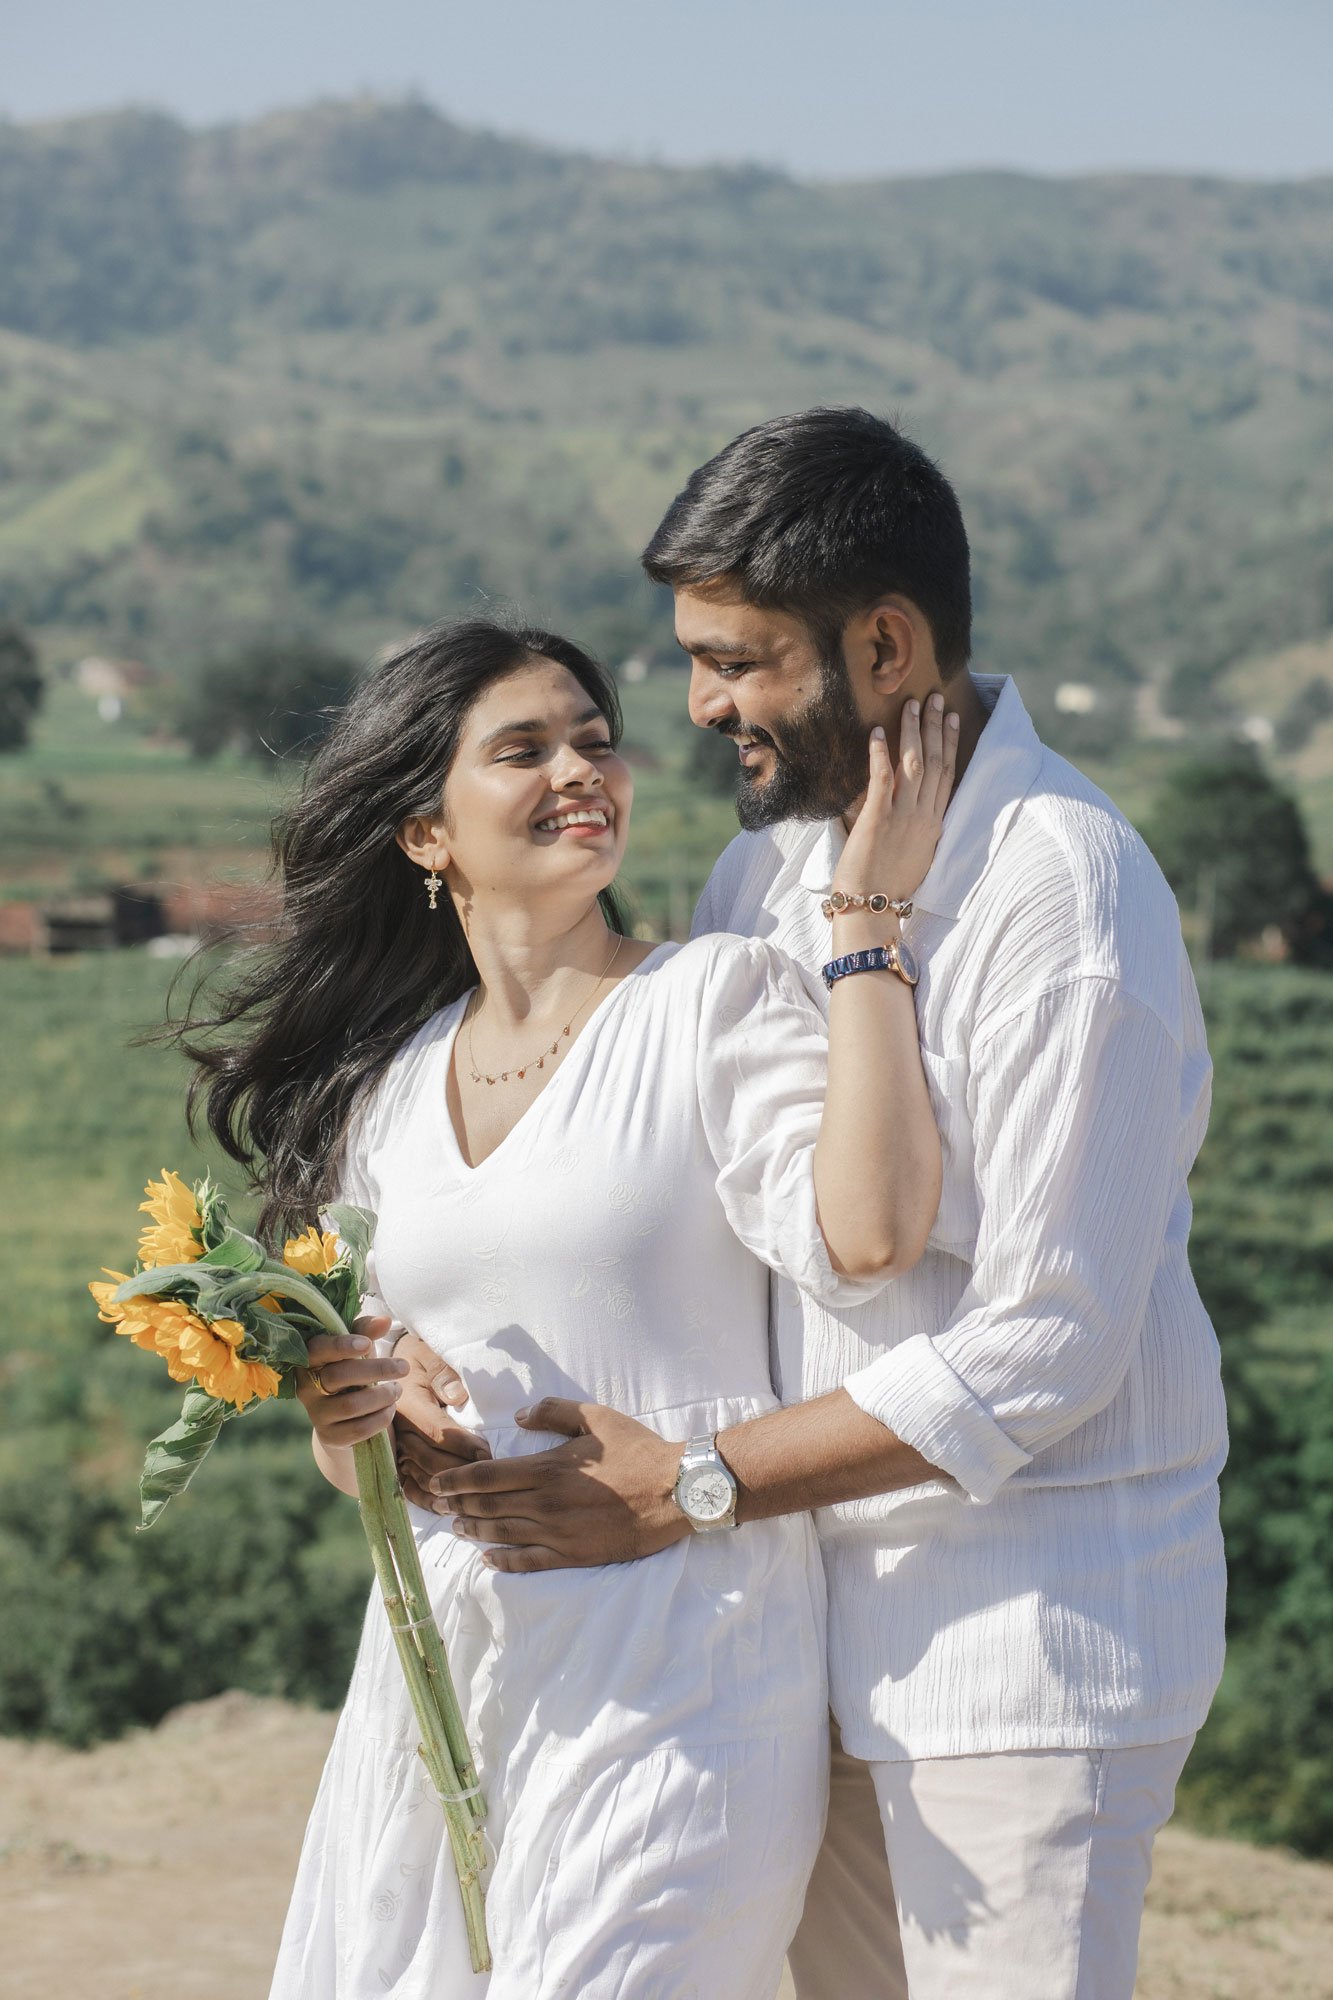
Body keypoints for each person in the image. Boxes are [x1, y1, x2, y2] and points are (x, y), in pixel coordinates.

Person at [398, 411, 1229, 2000]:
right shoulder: (766, 870)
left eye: (737, 662)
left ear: (884, 645)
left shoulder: (1064, 894)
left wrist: (691, 1485)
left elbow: (1049, 1343)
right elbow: (696, 1214)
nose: (700, 707)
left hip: (1021, 1638)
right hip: (787, 1642)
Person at [180, 615, 956, 1998]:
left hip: (688, 1659)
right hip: (450, 1656)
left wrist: (864, 926)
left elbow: (873, 1233)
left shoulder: (709, 999)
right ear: (426, 833)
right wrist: (356, 1413)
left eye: (595, 741)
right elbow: (363, 1454)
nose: (580, 770)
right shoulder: (389, 1091)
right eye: (524, 749)